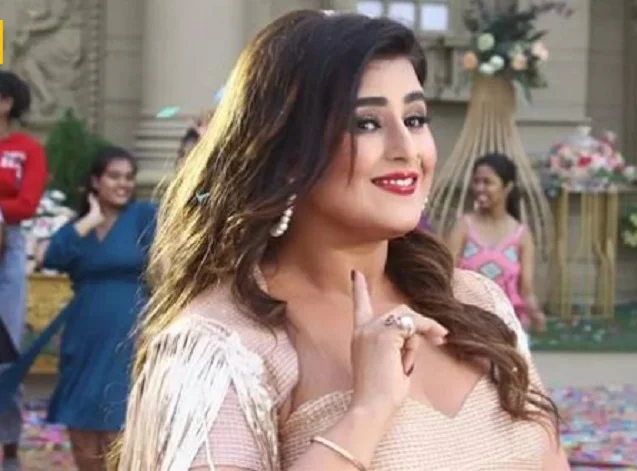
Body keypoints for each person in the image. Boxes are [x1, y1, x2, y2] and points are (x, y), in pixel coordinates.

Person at [115, 10, 568, 471]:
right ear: (288, 156)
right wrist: (367, 413)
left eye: (415, 118)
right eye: (366, 123)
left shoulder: (476, 304)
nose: (406, 149)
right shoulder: (223, 346)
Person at [0, 146, 156, 470]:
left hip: (129, 332)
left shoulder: (144, 215)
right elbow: (48, 256)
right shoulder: (80, 226)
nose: (124, 184)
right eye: (114, 176)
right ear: (96, 181)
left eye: (129, 177)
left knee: (118, 428)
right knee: (83, 433)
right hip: (84, 335)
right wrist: (90, 220)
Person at [0, 70, 47, 471]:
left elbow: (27, 204)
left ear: (6, 103)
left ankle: (9, 445)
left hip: (8, 245)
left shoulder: (26, 149)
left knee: (6, 351)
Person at [447, 152, 547, 332]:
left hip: (507, 327)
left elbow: (526, 291)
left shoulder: (521, 235)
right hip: (467, 324)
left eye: (488, 182)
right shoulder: (464, 227)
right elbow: (447, 275)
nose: (480, 188)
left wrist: (535, 313)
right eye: (476, 181)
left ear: (507, 187)